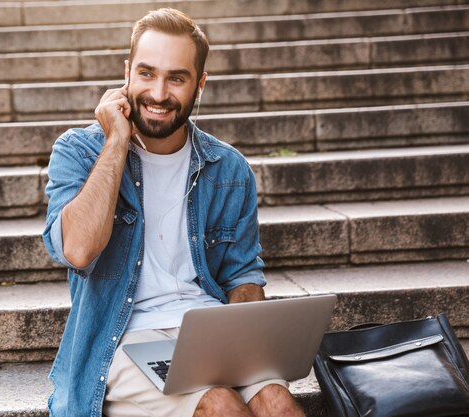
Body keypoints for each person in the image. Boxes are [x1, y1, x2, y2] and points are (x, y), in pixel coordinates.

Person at [42, 8, 306, 417]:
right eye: (146, 74)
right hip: (125, 336)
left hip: (209, 330)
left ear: (200, 84)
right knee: (220, 405)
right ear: (127, 72)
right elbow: (77, 250)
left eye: (176, 78)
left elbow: (242, 275)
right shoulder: (79, 151)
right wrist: (116, 143)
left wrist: (244, 340)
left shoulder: (228, 168)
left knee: (278, 404)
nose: (159, 94)